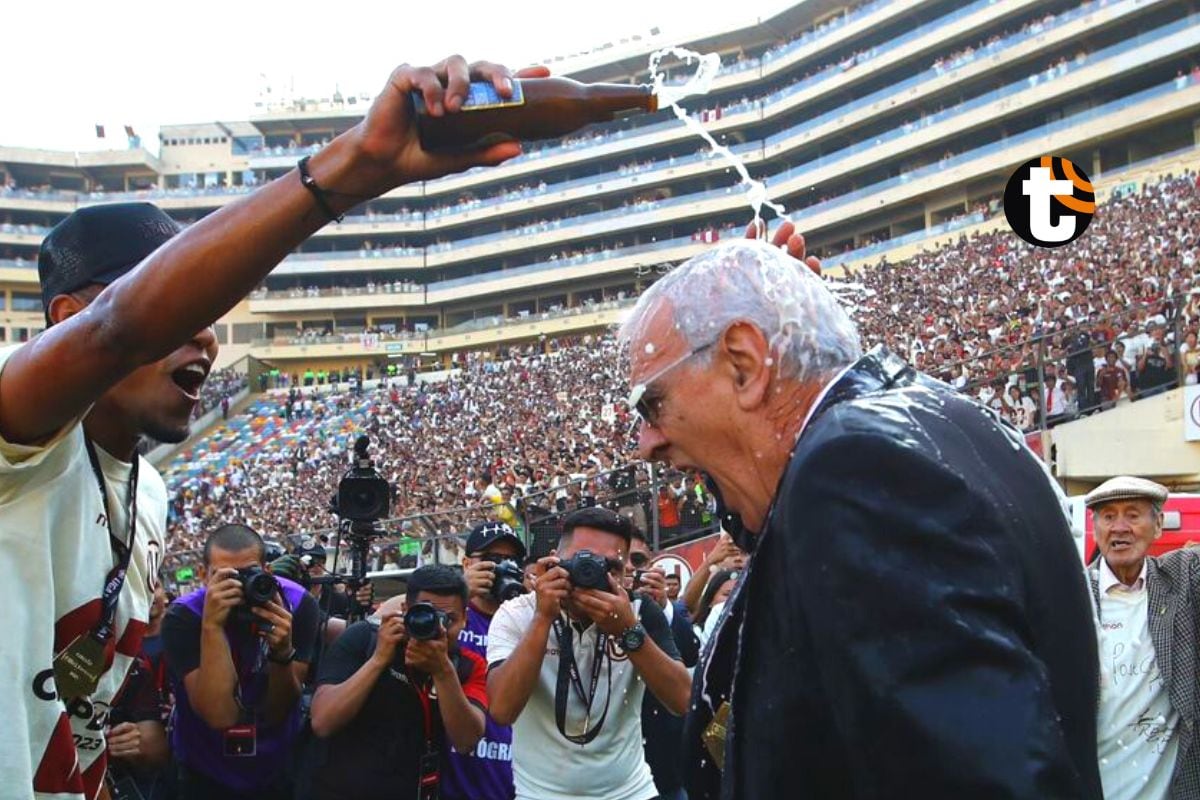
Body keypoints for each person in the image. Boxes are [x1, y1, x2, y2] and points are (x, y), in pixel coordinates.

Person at [1, 52, 541, 798]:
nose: (208, 337)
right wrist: (350, 171)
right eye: (181, 309)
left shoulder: (149, 491)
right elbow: (116, 330)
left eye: (209, 315)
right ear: (67, 319)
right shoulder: (20, 436)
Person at [621, 239, 1103, 798]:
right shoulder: (923, 417)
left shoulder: (852, 470)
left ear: (745, 364)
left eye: (652, 405)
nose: (646, 443)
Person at [487, 507, 691, 800]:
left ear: (624, 576)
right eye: (583, 561)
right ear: (555, 562)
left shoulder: (638, 612)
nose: (592, 573)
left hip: (630, 792)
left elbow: (682, 700)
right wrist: (543, 618)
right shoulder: (518, 614)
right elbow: (502, 710)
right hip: (541, 794)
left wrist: (627, 631)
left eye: (610, 567)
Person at [162, 523, 319, 799]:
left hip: (277, 763)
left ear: (266, 571)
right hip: (204, 766)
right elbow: (219, 715)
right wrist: (212, 627)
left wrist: (282, 654)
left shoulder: (298, 604)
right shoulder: (183, 616)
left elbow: (278, 710)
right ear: (203, 576)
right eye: (224, 577)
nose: (236, 586)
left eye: (248, 574)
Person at [309, 565, 488, 800]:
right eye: (426, 614)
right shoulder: (365, 639)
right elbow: (323, 722)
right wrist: (378, 660)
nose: (437, 627)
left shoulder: (467, 666)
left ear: (466, 618)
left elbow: (466, 741)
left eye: (449, 619)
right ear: (405, 610)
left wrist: (443, 671)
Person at [1085, 476, 1199, 799]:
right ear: (1096, 528)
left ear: (1158, 525)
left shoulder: (1181, 580)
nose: (1120, 527)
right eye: (1108, 516)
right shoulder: (1074, 596)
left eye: (1133, 515)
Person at [445, 521, 528, 800]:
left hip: (515, 774)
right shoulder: (450, 614)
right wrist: (457, 590)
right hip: (454, 771)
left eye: (510, 560)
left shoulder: (530, 618)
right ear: (467, 563)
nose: (502, 567)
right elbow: (393, 614)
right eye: (491, 560)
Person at [629, 529, 699, 800]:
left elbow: (691, 656)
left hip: (663, 771)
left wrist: (663, 609)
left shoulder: (663, 612)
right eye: (616, 562)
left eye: (637, 561)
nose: (628, 569)